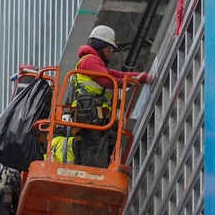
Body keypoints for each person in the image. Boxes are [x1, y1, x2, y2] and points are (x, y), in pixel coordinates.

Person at [53, 26, 152, 168]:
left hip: (89, 111)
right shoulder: (90, 60)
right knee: (90, 144)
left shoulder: (93, 62)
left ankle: (82, 169)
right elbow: (106, 80)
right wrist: (127, 82)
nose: (111, 53)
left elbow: (115, 74)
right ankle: (87, 172)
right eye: (109, 49)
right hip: (89, 111)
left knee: (87, 143)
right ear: (100, 45)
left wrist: (140, 78)